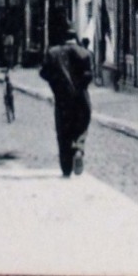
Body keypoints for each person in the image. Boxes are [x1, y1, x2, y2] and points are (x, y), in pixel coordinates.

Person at [39, 32, 94, 177]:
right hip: (81, 98)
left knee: (63, 133)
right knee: (81, 126)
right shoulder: (85, 53)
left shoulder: (52, 53)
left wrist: (56, 85)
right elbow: (89, 75)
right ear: (75, 40)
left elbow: (44, 73)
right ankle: (78, 149)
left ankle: (66, 168)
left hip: (62, 100)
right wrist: (81, 87)